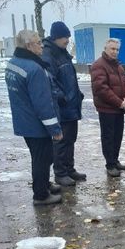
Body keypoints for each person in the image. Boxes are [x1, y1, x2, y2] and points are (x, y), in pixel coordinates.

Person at [5, 30, 63, 206]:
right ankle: (41, 195)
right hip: (36, 125)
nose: (42, 45)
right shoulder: (34, 69)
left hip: (24, 121)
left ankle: (44, 184)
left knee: (39, 157)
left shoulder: (14, 63)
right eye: (38, 43)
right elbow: (43, 104)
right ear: (29, 46)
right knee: (42, 159)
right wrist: (55, 130)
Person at [42, 21, 85, 187]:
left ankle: (69, 169)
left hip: (72, 105)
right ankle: (60, 173)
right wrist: (62, 97)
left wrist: (77, 94)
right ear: (56, 37)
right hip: (61, 107)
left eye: (68, 36)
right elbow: (49, 81)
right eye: (65, 37)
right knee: (61, 141)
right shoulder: (48, 54)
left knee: (70, 139)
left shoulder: (62, 52)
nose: (68, 40)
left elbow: (68, 78)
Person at [91, 38, 125, 178]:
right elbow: (101, 89)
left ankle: (115, 159)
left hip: (119, 108)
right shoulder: (99, 65)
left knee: (117, 136)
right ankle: (110, 164)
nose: (115, 52)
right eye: (112, 49)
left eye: (117, 49)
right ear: (106, 49)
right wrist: (118, 102)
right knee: (108, 137)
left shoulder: (118, 66)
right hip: (107, 109)